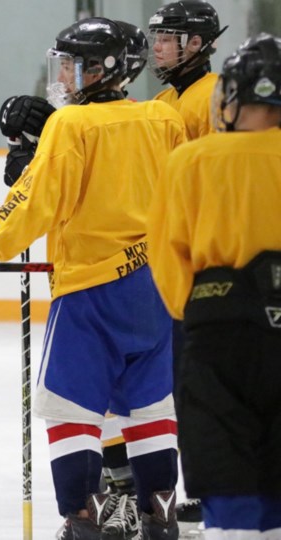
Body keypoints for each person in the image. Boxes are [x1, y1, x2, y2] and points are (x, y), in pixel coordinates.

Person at [0, 18, 185, 540]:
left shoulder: (71, 127)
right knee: (149, 407)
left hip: (90, 291)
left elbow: (33, 204)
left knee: (71, 408)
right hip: (155, 290)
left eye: (71, 65)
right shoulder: (163, 119)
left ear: (105, 69)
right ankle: (160, 517)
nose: (62, 75)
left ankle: (81, 519)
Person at [147, 33, 281, 540]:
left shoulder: (191, 161)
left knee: (227, 471)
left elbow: (167, 256)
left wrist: (200, 311)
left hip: (219, 334)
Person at [149, 0, 227, 140]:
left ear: (195, 43)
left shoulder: (217, 97)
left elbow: (218, 158)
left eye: (165, 40)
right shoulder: (160, 100)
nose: (156, 47)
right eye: (156, 39)